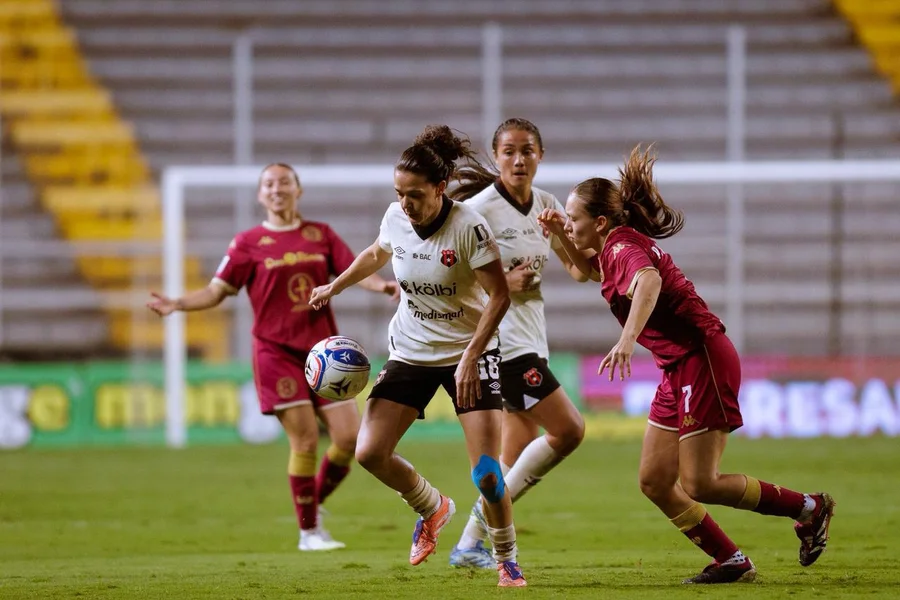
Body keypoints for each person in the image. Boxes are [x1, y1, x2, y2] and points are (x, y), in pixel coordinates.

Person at [538, 146, 836, 584]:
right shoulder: (611, 248)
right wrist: (561, 234)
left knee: (701, 483)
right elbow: (585, 272)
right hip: (678, 368)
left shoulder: (621, 247)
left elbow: (649, 280)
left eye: (573, 216)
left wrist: (626, 338)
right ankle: (731, 560)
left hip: (702, 359)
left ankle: (811, 509)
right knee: (656, 480)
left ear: (600, 223)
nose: (568, 221)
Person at [308, 124, 527, 587]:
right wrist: (335, 285)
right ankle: (432, 507)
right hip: (411, 350)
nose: (405, 203)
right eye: (399, 193)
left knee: (487, 473)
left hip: (471, 350)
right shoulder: (395, 217)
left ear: (439, 188)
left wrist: (471, 355)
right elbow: (376, 252)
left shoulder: (469, 227)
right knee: (369, 452)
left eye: (414, 195)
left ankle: (507, 557)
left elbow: (500, 297)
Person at [147, 163, 398, 552]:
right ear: (260, 195)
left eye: (284, 182)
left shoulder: (321, 234)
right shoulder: (247, 243)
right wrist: (178, 303)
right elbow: (217, 291)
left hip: (324, 352)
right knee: (306, 441)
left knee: (349, 439)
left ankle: (311, 507)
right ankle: (309, 532)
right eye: (269, 184)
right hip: (275, 352)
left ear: (298, 190)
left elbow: (354, 268)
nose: (277, 189)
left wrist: (381, 285)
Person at [445, 118, 588, 568]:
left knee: (509, 463)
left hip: (531, 338)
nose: (518, 159)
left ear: (540, 155)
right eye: (508, 151)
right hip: (503, 344)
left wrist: (562, 232)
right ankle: (472, 544)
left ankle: (469, 544)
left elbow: (585, 271)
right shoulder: (478, 211)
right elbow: (452, 279)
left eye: (527, 150)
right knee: (568, 430)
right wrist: (504, 281)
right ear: (496, 157)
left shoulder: (547, 205)